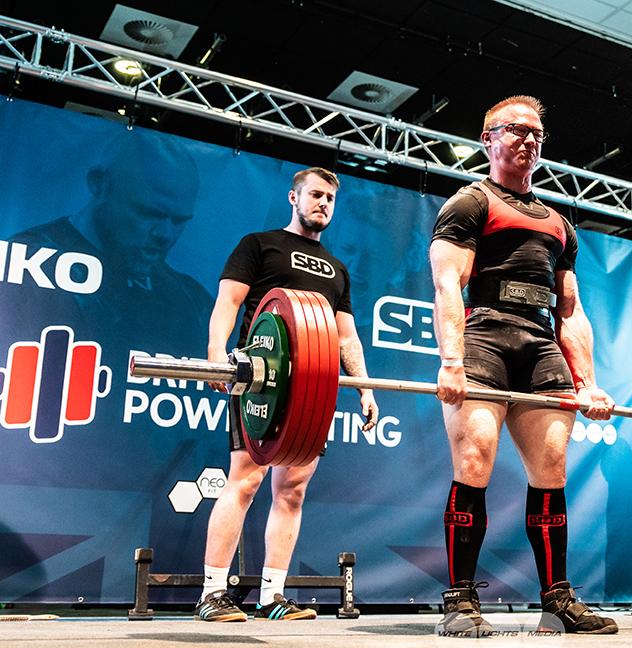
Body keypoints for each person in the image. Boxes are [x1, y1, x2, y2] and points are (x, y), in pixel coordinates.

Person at [428, 95, 618, 636]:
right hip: (484, 334)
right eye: (516, 130)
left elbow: (571, 310)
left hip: (538, 344)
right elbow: (447, 284)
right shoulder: (470, 201)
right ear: (488, 139)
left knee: (552, 469)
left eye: (537, 132)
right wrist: (451, 360)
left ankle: (556, 601)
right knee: (475, 460)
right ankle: (459, 601)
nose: (530, 139)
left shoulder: (559, 222)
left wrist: (590, 383)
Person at [194, 167, 379, 622]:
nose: (323, 204)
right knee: (246, 480)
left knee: (292, 490)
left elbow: (346, 337)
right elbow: (229, 302)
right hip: (261, 377)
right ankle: (211, 594)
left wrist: (365, 388)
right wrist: (218, 353)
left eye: (330, 199)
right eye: (315, 195)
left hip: (312, 389)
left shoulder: (337, 270)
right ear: (293, 197)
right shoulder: (260, 245)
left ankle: (271, 597)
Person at [0, 130, 212, 351]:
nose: (165, 234)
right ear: (99, 184)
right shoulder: (28, 262)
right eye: (149, 213)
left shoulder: (192, 302)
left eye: (179, 220)